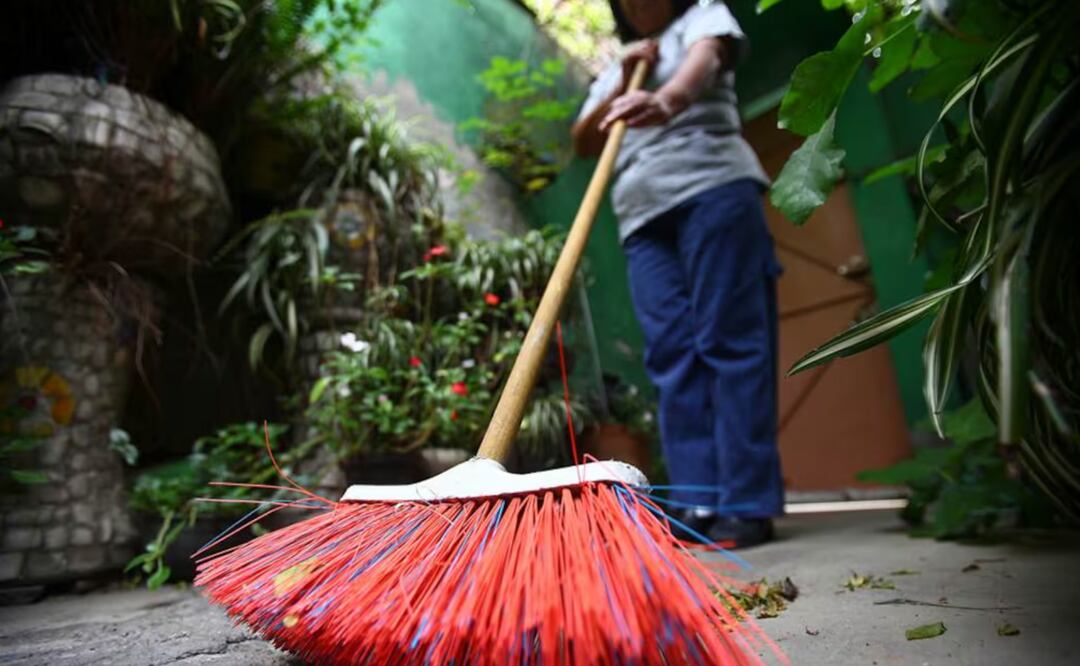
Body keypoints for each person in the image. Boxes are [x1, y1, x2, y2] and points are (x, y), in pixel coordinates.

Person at [571, 0, 783, 547]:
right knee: (671, 356)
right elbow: (583, 140)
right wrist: (620, 83)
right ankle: (694, 501)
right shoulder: (618, 68)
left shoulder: (702, 18)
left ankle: (744, 502)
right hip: (641, 220)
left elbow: (708, 59)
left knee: (729, 342)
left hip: (712, 190)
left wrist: (666, 99)